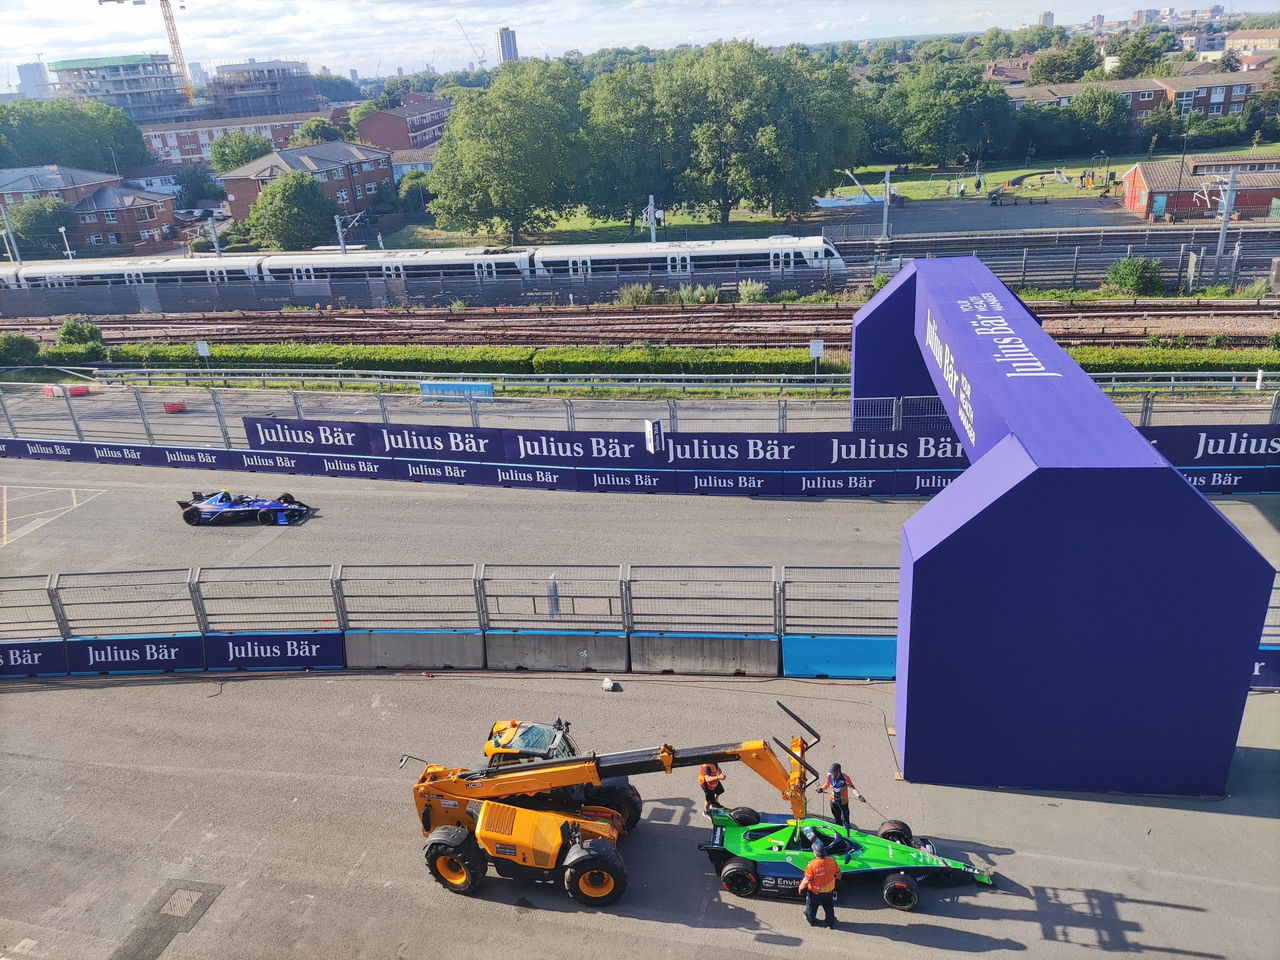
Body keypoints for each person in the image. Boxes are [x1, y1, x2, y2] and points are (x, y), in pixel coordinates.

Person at [800, 841, 841, 928]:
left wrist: (801, 887)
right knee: (829, 907)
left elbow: (807, 880)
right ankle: (830, 923)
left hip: (815, 892)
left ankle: (811, 920)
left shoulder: (812, 865)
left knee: (812, 907)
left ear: (815, 853)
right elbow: (838, 874)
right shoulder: (832, 861)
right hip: (829, 890)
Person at [820, 763, 864, 830]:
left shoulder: (845, 778)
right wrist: (822, 789)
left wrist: (859, 796)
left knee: (845, 819)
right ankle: (839, 828)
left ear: (838, 772)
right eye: (831, 773)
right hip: (833, 800)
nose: (831, 775)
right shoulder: (829, 776)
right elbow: (827, 785)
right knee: (836, 817)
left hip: (843, 802)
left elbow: (852, 788)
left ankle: (848, 831)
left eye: (833, 773)